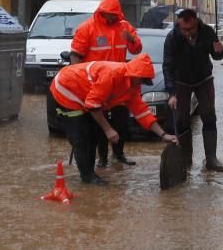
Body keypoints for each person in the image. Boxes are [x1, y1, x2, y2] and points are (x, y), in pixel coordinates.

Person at [50, 58, 178, 185]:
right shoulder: (111, 75)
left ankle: (89, 173)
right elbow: (93, 105)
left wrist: (163, 134)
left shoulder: (132, 87)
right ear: (134, 74)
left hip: (85, 96)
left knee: (93, 135)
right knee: (80, 138)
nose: (142, 84)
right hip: (65, 88)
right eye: (142, 80)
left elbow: (142, 112)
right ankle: (87, 177)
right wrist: (108, 129)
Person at [70, 0, 143, 167]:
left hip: (118, 84)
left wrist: (131, 39)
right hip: (96, 84)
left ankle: (118, 155)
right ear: (102, 12)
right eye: (110, 14)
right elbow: (75, 56)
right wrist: (78, 81)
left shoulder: (124, 27)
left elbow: (136, 49)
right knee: (100, 125)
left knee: (121, 121)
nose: (113, 17)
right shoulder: (87, 28)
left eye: (116, 15)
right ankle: (102, 158)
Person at [163, 7, 223, 172]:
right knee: (182, 120)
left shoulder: (207, 32)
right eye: (183, 29)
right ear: (179, 24)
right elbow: (167, 66)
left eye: (191, 29)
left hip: (203, 79)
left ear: (196, 23)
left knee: (209, 115)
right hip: (181, 82)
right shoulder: (172, 38)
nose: (187, 32)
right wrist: (171, 93)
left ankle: (211, 158)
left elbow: (216, 55)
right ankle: (186, 159)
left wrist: (219, 51)